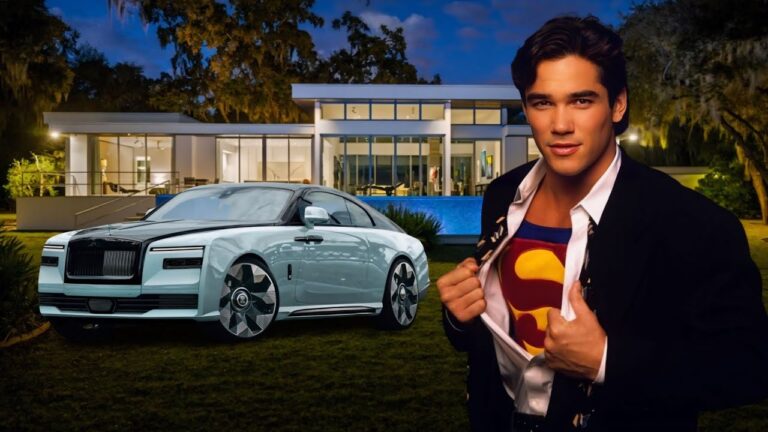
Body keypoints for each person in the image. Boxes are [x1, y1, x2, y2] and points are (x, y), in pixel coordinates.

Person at [437, 15, 768, 432]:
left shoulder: (691, 222)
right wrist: (459, 321)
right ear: (526, 109)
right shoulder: (503, 195)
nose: (560, 125)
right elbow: (496, 341)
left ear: (617, 104)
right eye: (543, 102)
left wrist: (607, 361)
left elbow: (750, 366)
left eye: (581, 100)